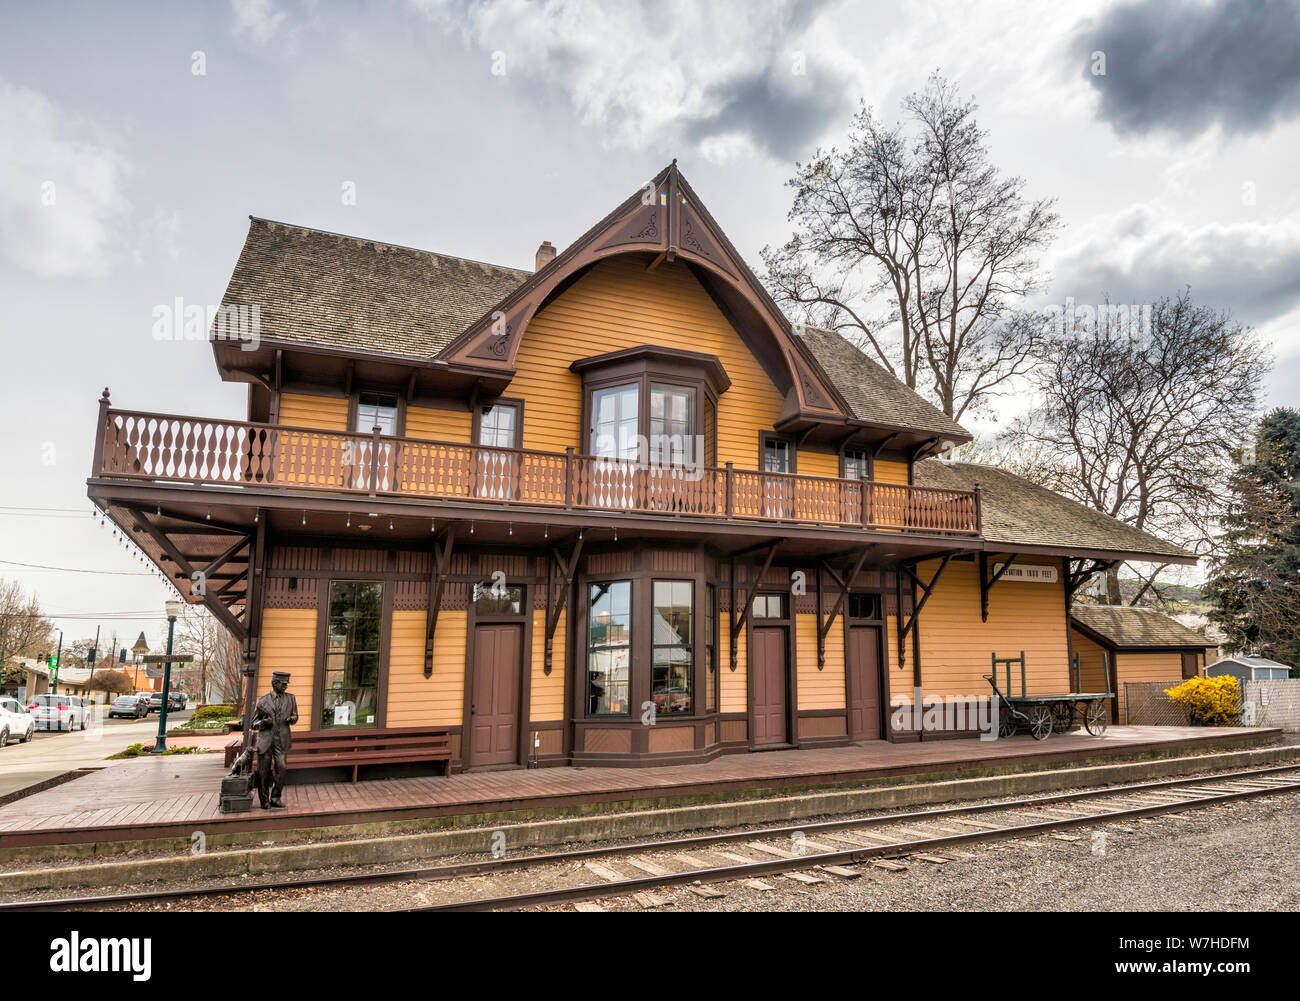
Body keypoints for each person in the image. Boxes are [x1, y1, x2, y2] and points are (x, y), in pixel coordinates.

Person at [252, 671, 298, 809]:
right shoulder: (263, 701)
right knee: (263, 772)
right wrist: (264, 722)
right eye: (283, 684)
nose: (285, 686)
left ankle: (276, 797)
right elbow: (253, 724)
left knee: (282, 767)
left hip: (281, 740)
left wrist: (292, 719)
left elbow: (295, 715)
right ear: (274, 683)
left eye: (286, 684)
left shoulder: (291, 699)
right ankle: (264, 800)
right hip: (266, 741)